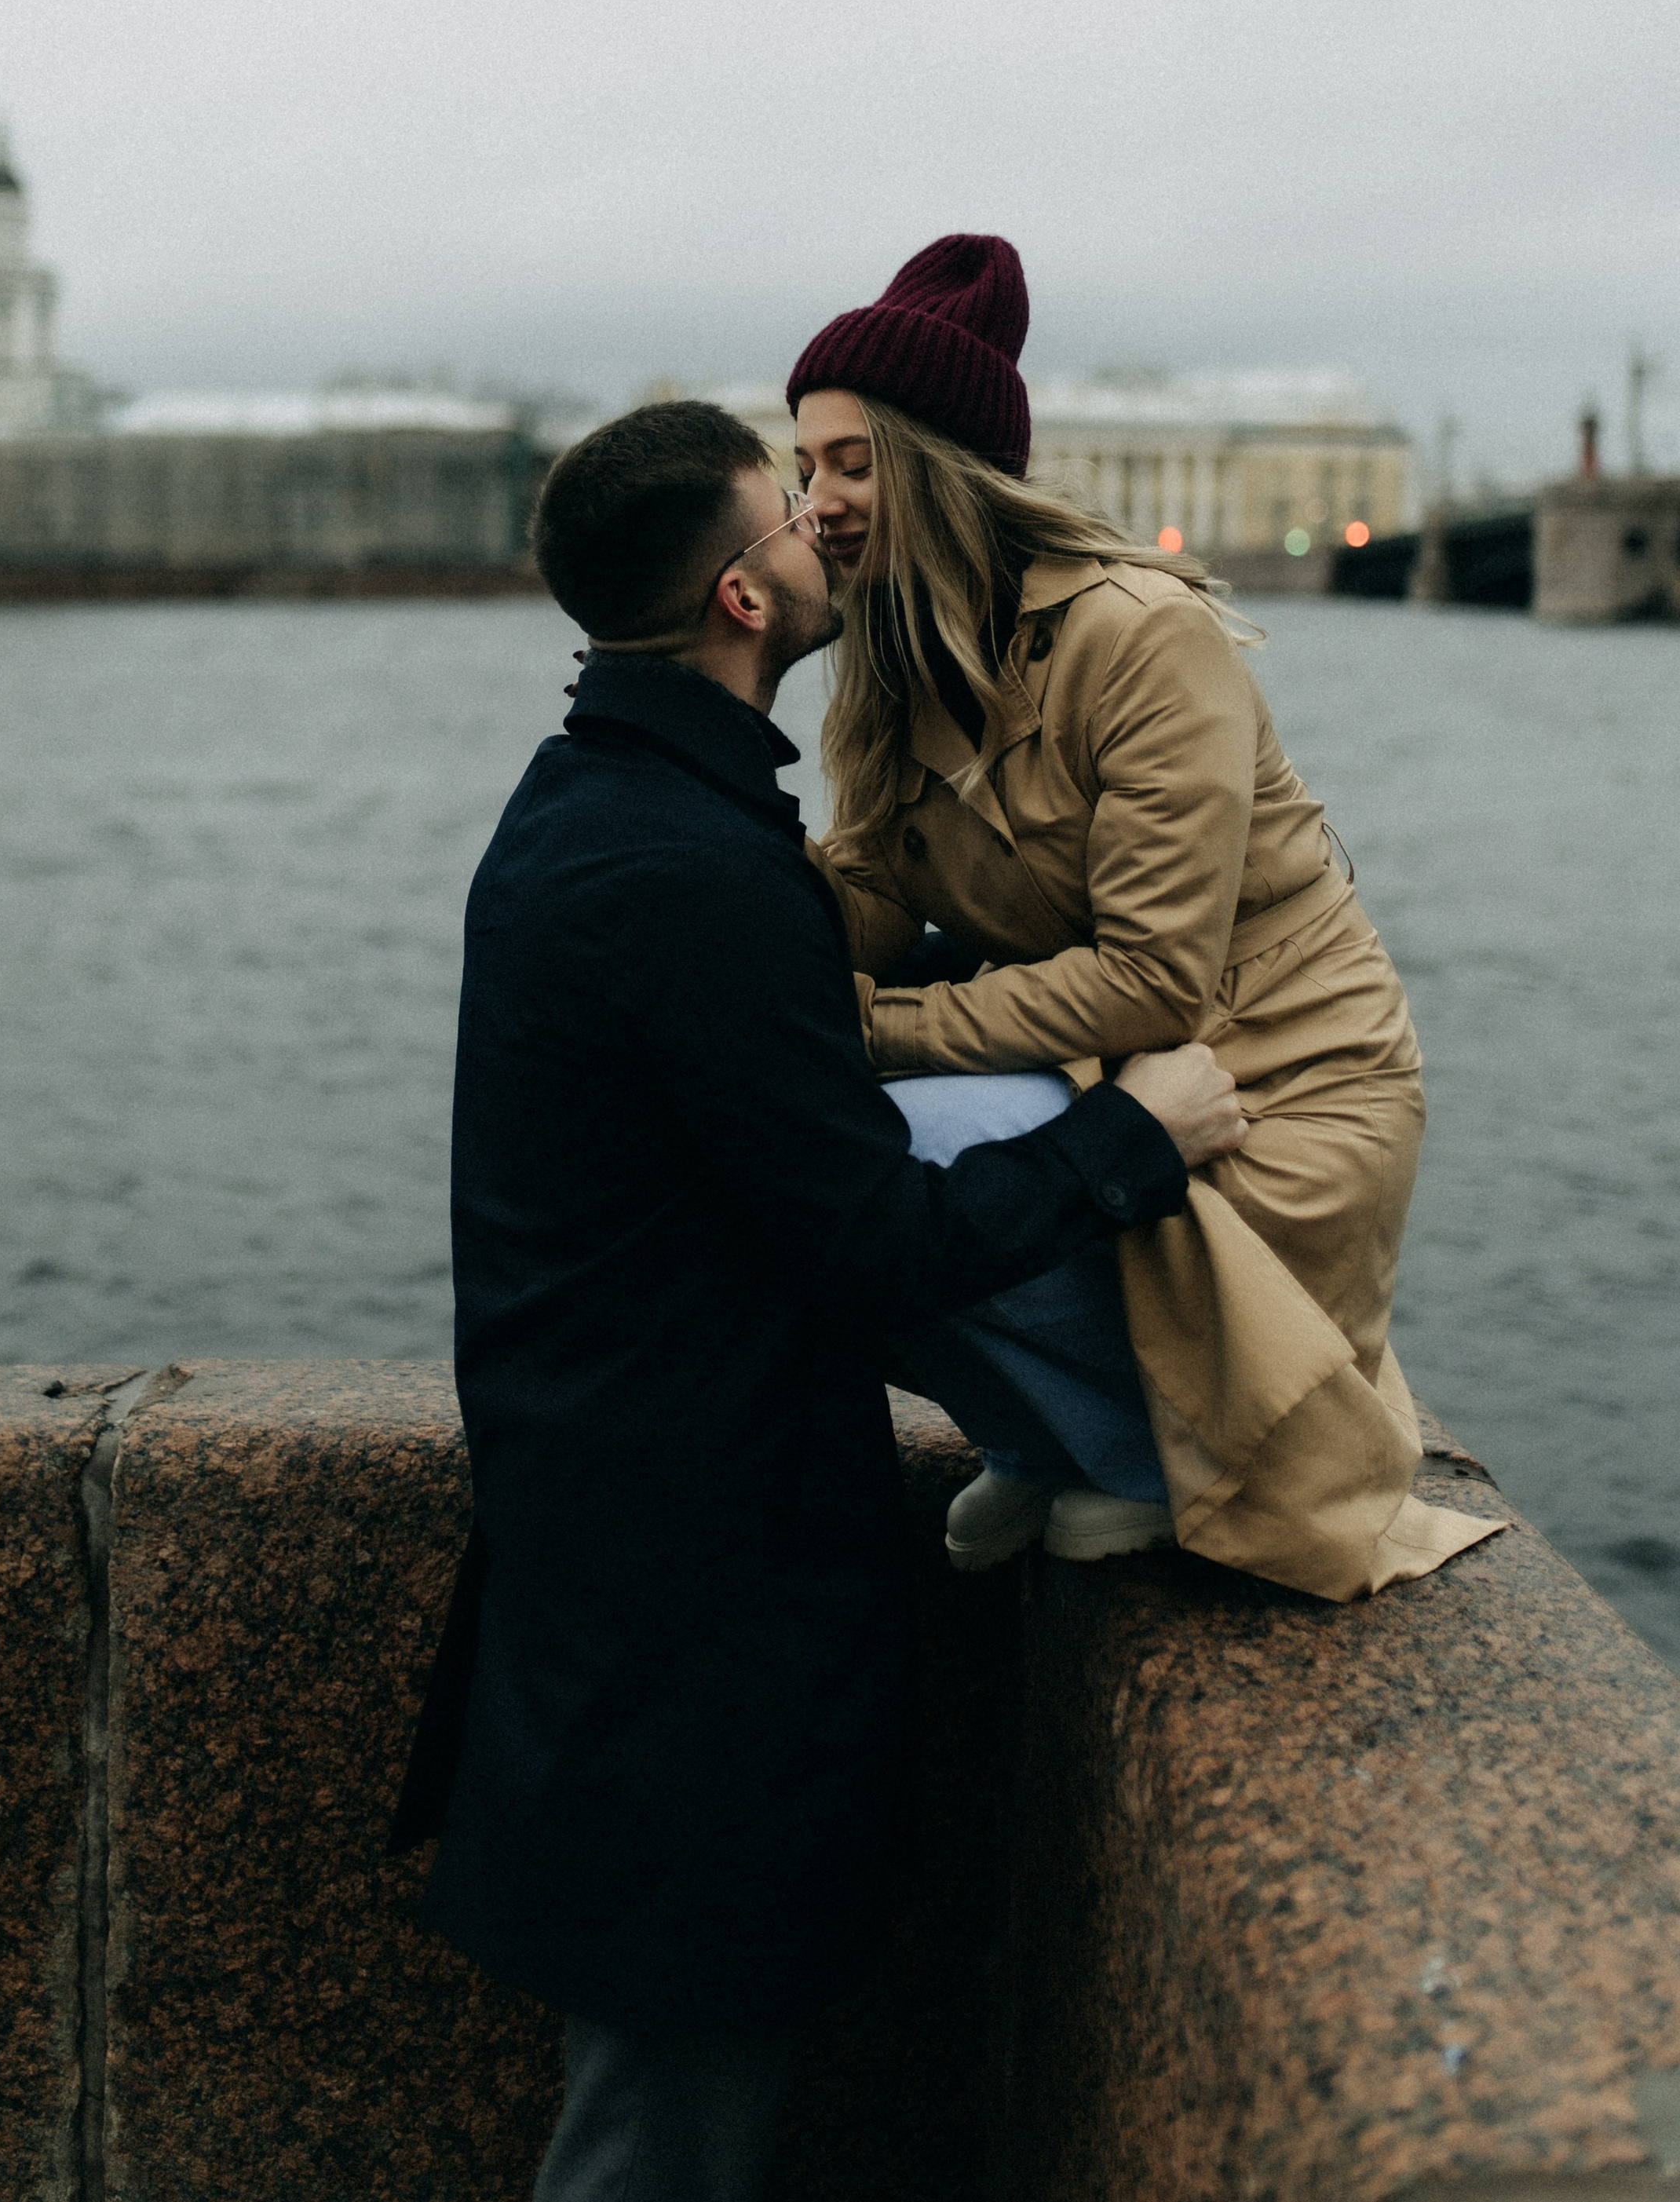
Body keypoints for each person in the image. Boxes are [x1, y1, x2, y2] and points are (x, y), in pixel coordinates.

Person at [391, 398, 1246, 2202]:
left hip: (619, 1552)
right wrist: (1134, 1137)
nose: (820, 526)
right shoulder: (688, 873)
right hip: (687, 1608)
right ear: (741, 595)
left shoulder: (594, 808)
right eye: (790, 508)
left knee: (666, 2102)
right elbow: (874, 1247)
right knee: (655, 2139)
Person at [788, 232, 1502, 1601]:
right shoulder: (893, 658)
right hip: (1116, 1083)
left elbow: (1152, 981)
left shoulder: (1138, 634)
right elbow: (870, 891)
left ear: (939, 468)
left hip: (1272, 1100)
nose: (816, 500)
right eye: (805, 464)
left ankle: (1140, 1457)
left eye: (852, 464)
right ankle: (1050, 1430)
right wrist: (722, 866)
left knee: (882, 1145)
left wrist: (874, 1026)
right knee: (769, 1124)